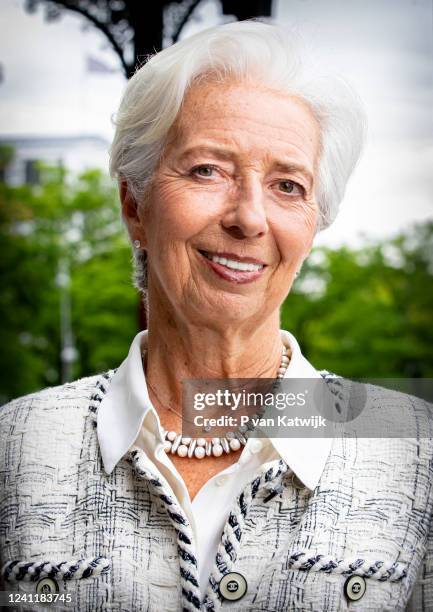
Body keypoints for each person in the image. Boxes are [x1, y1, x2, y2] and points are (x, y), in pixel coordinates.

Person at [1, 20, 432, 612]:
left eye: (288, 185)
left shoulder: (415, 451)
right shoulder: (13, 446)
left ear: (313, 222)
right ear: (134, 203)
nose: (249, 218)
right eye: (208, 170)